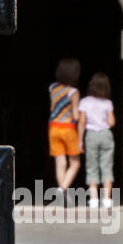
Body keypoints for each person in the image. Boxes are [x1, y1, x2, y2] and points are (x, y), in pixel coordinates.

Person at [77, 72, 115, 214]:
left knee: (91, 167)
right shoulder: (107, 103)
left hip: (91, 135)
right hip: (105, 134)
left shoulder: (85, 102)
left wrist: (80, 140)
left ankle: (93, 200)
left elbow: (81, 122)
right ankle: (107, 199)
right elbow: (111, 122)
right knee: (106, 166)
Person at [48, 57, 82, 193]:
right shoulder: (73, 92)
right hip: (68, 129)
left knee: (60, 163)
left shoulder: (52, 88)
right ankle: (62, 189)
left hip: (53, 128)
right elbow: (75, 115)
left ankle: (62, 193)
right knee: (75, 163)